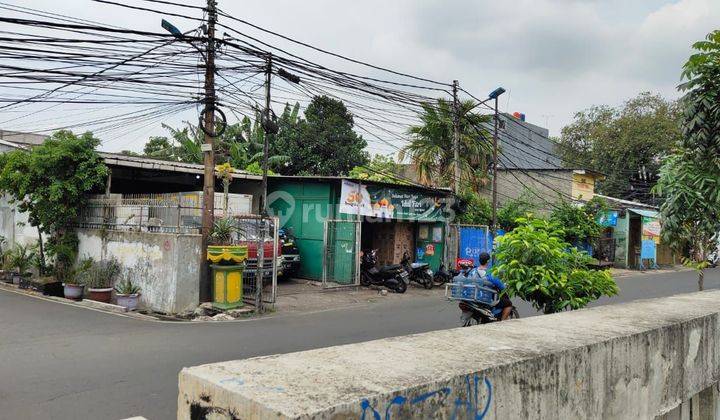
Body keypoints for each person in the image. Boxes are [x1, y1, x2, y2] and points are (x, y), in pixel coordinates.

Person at [472, 252, 513, 321]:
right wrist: (505, 286)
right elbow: (501, 286)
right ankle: (502, 323)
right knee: (508, 304)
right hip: (486, 299)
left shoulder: (473, 271)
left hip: (474, 296)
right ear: (488, 261)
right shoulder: (489, 273)